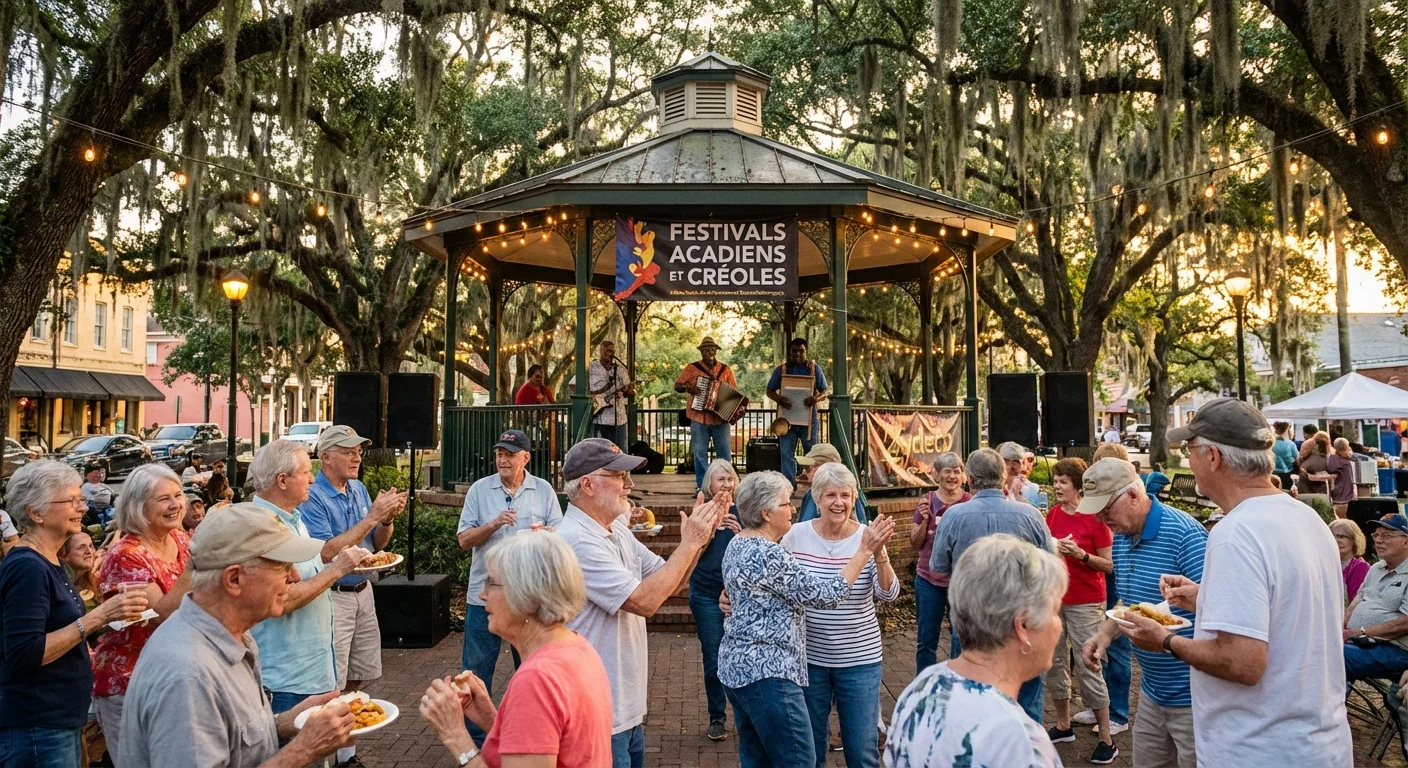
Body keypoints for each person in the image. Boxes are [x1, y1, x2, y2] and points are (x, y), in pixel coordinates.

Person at [1123, 398, 1351, 766]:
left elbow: (1242, 663)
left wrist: (1164, 639)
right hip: (1318, 743)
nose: (1189, 460)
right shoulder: (1308, 520)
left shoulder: (1235, 533)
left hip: (1257, 747)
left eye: (1190, 450)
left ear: (1212, 457)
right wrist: (1208, 599)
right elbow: (1291, 612)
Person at [115, 503, 357, 768]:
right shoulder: (188, 674)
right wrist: (303, 751)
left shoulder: (227, 636)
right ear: (234, 580)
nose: (294, 576)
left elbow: (231, 741)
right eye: (282, 566)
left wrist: (285, 723)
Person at [553, 438, 726, 768]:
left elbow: (670, 580)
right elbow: (644, 601)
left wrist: (700, 540)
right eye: (618, 476)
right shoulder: (575, 540)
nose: (629, 484)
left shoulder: (614, 529)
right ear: (587, 485)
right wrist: (689, 545)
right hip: (597, 714)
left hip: (624, 709)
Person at [718, 471, 894, 767]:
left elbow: (759, 588)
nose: (792, 509)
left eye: (845, 495)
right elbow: (826, 595)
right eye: (786, 504)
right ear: (766, 512)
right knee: (801, 758)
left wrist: (734, 597)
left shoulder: (738, 543)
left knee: (756, 755)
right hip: (771, 671)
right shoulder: (774, 550)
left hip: (742, 669)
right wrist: (865, 550)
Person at [418, 532, 614, 767]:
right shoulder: (577, 648)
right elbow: (544, 740)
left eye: (491, 583)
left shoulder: (536, 679)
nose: (482, 595)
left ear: (527, 596)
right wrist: (493, 719)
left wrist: (455, 735)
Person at [0, 460, 148, 768]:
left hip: (55, 721)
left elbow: (63, 630)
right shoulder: (27, 566)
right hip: (37, 725)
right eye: (71, 500)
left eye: (80, 498)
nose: (82, 507)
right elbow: (25, 652)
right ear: (35, 512)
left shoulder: (48, 561)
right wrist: (98, 616)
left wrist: (111, 618)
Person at [884, 534, 1065, 768]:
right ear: (1023, 626)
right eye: (1054, 611)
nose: (1058, 624)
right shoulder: (1022, 745)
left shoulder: (921, 686)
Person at [1078, 458, 1206, 767]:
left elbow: (1220, 611)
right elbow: (1128, 602)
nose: (1101, 519)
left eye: (1106, 509)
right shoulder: (1122, 536)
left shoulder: (1186, 536)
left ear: (1133, 496)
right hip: (1151, 691)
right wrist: (1104, 634)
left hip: (1194, 697)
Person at [299, 426, 407, 766]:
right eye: (348, 450)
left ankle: (348, 754)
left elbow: (377, 545)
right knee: (333, 680)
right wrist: (373, 515)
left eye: (359, 450)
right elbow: (327, 552)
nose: (357, 456)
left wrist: (386, 520)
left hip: (363, 591)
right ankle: (329, 755)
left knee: (358, 675)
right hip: (332, 596)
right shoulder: (313, 495)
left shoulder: (358, 488)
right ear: (326, 456)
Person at [781, 462, 898, 767]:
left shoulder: (866, 536)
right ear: (817, 499)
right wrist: (730, 597)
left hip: (859, 660)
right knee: (811, 749)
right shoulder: (795, 535)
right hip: (810, 659)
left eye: (846, 495)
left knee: (861, 750)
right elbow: (774, 581)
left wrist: (879, 553)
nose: (839, 502)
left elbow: (888, 594)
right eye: (831, 495)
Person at [246, 440, 370, 718]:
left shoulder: (293, 519)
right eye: (305, 472)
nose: (313, 479)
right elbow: (284, 600)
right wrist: (338, 569)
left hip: (311, 674)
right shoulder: (262, 527)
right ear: (282, 480)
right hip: (286, 681)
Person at [928, 447, 1053, 723]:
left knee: (972, 696)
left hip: (972, 619)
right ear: (1003, 477)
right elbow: (1050, 565)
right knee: (1027, 699)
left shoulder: (954, 516)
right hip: (1022, 618)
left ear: (969, 480)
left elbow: (937, 566)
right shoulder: (1031, 515)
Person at [455, 430, 563, 743]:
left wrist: (544, 532)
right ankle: (476, 741)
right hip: (484, 596)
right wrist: (493, 524)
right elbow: (463, 540)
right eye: (500, 453)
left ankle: (531, 732)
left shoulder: (542, 490)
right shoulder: (479, 490)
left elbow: (560, 534)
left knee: (531, 669)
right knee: (475, 671)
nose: (503, 459)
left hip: (527, 597)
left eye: (511, 454)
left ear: (526, 458)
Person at [91, 463, 196, 755]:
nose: (176, 504)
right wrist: (196, 563)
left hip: (172, 676)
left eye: (178, 495)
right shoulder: (125, 555)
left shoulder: (179, 538)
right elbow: (162, 616)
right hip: (130, 682)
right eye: (164, 499)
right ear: (138, 506)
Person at [1042, 458, 1118, 764]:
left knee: (1089, 664)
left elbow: (1109, 564)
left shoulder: (1095, 518)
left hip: (1087, 601)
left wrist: (1082, 555)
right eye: (1055, 481)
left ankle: (1106, 739)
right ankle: (1063, 725)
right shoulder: (1053, 514)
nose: (1057, 487)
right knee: (1055, 662)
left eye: (1062, 481)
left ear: (1077, 485)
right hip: (1055, 598)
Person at [688, 459, 741, 742]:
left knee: (743, 655)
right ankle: (717, 717)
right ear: (709, 485)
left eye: (730, 478)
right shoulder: (702, 512)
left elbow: (761, 544)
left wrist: (738, 532)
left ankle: (746, 716)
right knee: (713, 658)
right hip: (707, 594)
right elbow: (691, 555)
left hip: (739, 597)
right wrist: (709, 531)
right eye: (720, 479)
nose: (726, 484)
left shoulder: (744, 511)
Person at [910, 452, 969, 671]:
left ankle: (957, 686)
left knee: (961, 639)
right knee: (926, 640)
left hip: (960, 583)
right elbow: (915, 543)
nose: (952, 476)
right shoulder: (927, 501)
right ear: (937, 474)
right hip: (928, 581)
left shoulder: (969, 503)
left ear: (963, 475)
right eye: (947, 471)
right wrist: (924, 521)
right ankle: (924, 688)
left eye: (957, 471)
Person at [1342, 514, 1408, 685]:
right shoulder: (1376, 568)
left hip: (1396, 649)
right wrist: (1342, 626)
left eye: (1386, 536)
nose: (1378, 540)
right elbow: (1359, 598)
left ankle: (1329, 710)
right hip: (1363, 642)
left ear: (1406, 542)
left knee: (1334, 657)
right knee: (1317, 645)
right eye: (1376, 535)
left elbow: (1405, 624)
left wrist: (1361, 632)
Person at [674, 336, 738, 490]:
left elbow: (733, 393)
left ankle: (726, 486)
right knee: (699, 454)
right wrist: (689, 388)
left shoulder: (725, 370)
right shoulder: (692, 368)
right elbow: (677, 385)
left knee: (724, 455)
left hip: (720, 419)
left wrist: (730, 409)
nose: (709, 352)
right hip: (698, 417)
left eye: (712, 349)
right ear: (701, 352)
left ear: (716, 351)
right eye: (706, 349)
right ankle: (703, 487)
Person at [766, 337, 828, 485]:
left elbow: (825, 391)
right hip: (786, 421)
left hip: (808, 419)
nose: (798, 354)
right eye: (794, 351)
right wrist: (780, 399)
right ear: (790, 352)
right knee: (786, 454)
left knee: (811, 454)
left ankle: (814, 484)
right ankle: (788, 486)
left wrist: (815, 399)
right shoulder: (782, 369)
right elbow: (769, 390)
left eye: (801, 351)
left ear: (806, 351)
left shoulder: (814, 369)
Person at [796, 443, 866, 524]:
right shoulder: (811, 493)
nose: (806, 473)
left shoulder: (818, 494)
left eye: (808, 468)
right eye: (805, 468)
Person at [590, 340, 634, 449]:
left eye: (612, 351)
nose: (610, 354)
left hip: (618, 418)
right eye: (607, 351)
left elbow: (626, 394)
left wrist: (628, 391)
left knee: (618, 450)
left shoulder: (620, 370)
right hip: (599, 417)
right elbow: (574, 385)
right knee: (601, 450)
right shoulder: (592, 367)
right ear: (601, 350)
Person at [59, 533, 102, 613]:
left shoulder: (95, 580)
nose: (89, 551)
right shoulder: (61, 588)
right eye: (81, 547)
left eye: (91, 546)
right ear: (64, 556)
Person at [1330, 518, 1371, 602]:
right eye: (1332, 536)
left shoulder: (1361, 567)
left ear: (1354, 540)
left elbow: (1355, 601)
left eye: (1341, 536)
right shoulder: (1328, 563)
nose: (1336, 540)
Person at [997, 441, 1041, 506]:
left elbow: (1034, 513)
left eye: (1030, 460)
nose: (1025, 467)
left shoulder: (1032, 489)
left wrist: (1015, 495)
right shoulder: (991, 487)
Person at [1325, 437, 1357, 518]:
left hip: (1335, 494)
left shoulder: (1331, 459)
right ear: (1345, 448)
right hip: (1344, 497)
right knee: (1342, 518)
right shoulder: (1346, 464)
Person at [1271, 421, 1298, 489]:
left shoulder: (1270, 443)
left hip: (1272, 472)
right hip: (1287, 472)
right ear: (1286, 430)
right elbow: (1297, 459)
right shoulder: (1291, 444)